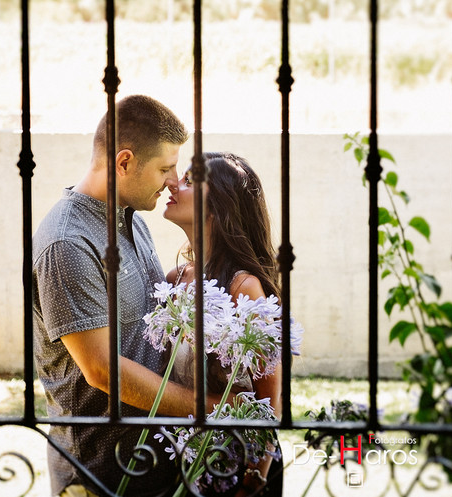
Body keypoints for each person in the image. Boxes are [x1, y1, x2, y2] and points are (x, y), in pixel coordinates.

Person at [33, 95, 220, 496]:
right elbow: (102, 370)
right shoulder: (69, 244)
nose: (173, 181)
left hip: (151, 467)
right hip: (98, 475)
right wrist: (208, 408)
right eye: (165, 169)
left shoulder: (132, 221)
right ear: (124, 162)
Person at [163, 152, 284, 496]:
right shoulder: (174, 279)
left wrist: (254, 479)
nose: (173, 184)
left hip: (237, 463)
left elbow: (269, 401)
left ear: (217, 207)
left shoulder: (243, 288)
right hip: (183, 457)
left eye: (189, 181)